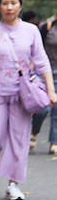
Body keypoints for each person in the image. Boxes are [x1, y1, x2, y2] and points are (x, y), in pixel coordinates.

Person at [0, 0, 57, 200]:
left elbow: (41, 61)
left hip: (23, 96)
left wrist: (51, 90)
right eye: (5, 3)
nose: (9, 7)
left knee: (19, 141)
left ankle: (13, 184)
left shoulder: (31, 31)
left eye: (13, 3)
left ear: (19, 5)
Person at [30, 14, 57, 155]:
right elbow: (36, 51)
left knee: (56, 110)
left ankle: (54, 142)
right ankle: (34, 132)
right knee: (44, 108)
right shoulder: (46, 28)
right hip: (44, 72)